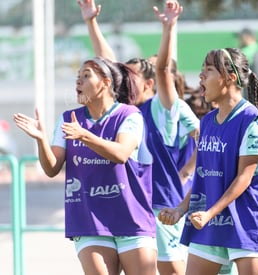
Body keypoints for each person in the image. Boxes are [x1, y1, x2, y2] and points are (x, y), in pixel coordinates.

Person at [77, 1, 200, 274]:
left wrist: (169, 28)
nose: (122, 78)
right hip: (131, 207)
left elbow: (163, 69)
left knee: (171, 270)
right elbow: (107, 62)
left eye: (130, 75)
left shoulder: (161, 108)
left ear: (147, 84)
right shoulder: (123, 110)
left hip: (162, 204)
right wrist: (91, 22)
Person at [13, 56, 157, 275]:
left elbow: (121, 153)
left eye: (86, 76)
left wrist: (85, 135)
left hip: (132, 219)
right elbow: (51, 169)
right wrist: (41, 139)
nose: (78, 82)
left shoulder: (130, 116)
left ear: (106, 83)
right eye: (77, 77)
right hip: (90, 221)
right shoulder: (68, 119)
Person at [158, 20, 258, 275]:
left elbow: (245, 176)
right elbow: (202, 176)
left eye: (208, 70)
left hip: (245, 220)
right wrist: (180, 209)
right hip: (210, 219)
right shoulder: (207, 122)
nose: (200, 76)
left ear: (230, 78)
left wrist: (210, 212)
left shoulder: (251, 120)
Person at [237, 27, 258, 99]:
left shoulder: (250, 52)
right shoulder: (247, 50)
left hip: (252, 97)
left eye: (241, 37)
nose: (239, 39)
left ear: (249, 37)